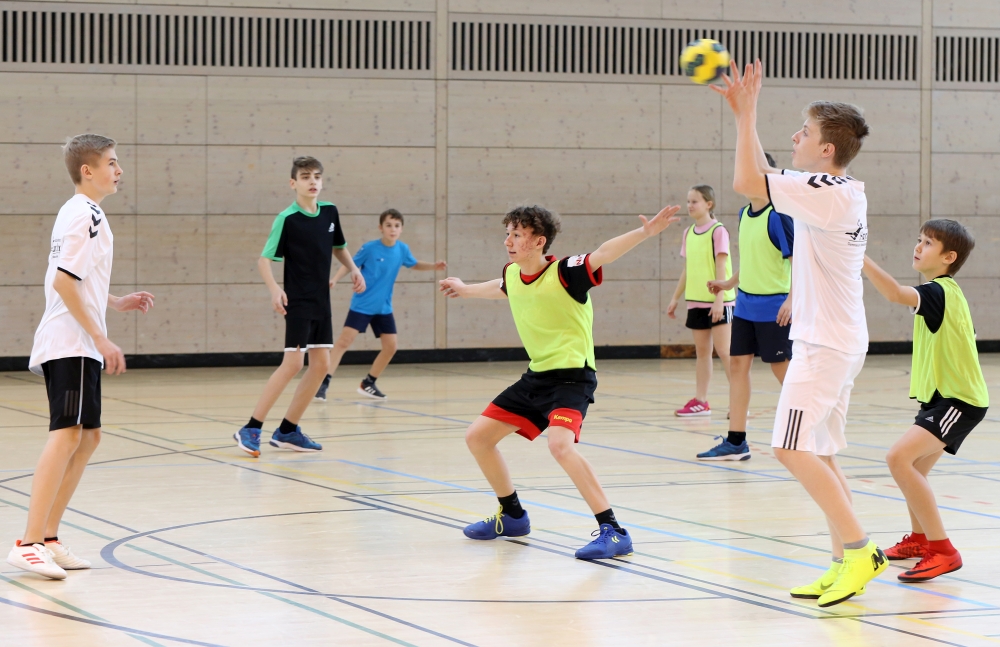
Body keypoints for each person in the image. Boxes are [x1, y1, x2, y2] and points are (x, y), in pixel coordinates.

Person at [712, 60, 886, 606]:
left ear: (827, 150)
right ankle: (844, 563)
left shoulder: (829, 189)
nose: (796, 138)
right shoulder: (835, 189)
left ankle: (861, 550)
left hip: (825, 345)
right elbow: (754, 186)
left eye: (805, 132)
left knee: (789, 448)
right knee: (822, 453)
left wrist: (746, 114)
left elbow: (746, 183)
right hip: (836, 339)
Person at [439, 203, 681, 559]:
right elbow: (501, 286)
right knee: (478, 437)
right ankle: (513, 515)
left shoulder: (565, 271)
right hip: (537, 376)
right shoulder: (512, 274)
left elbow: (603, 254)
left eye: (517, 235)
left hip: (572, 377)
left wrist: (644, 233)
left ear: (538, 242)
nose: (508, 240)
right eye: (507, 233)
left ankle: (613, 530)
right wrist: (465, 288)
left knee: (560, 446)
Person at [6, 134, 155, 580]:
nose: (119, 169)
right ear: (87, 171)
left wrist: (114, 301)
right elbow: (64, 284)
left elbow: (75, 277)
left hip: (81, 343)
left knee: (88, 438)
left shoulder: (85, 214)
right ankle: (29, 542)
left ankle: (49, 538)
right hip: (71, 341)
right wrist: (101, 338)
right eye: (111, 162)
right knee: (67, 433)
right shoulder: (83, 214)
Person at [863, 220, 988, 582]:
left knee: (898, 458)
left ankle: (942, 550)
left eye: (928, 243)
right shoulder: (945, 291)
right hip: (941, 398)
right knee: (913, 469)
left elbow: (893, 293)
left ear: (949, 257)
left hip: (959, 401)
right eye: (919, 240)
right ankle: (919, 540)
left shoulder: (937, 291)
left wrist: (861, 257)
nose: (918, 246)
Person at [233, 156, 365, 458]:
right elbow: (264, 259)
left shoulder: (330, 212)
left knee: (320, 365)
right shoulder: (287, 219)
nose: (313, 181)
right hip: (298, 301)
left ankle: (289, 430)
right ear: (294, 183)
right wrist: (274, 289)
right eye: (306, 177)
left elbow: (339, 247)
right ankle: (251, 427)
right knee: (293, 363)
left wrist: (354, 270)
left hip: (322, 301)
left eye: (317, 176)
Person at [699, 153, 794, 461]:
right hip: (744, 306)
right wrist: (729, 283)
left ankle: (811, 432)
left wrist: (793, 299)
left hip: (774, 307)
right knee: (738, 367)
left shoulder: (779, 216)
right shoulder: (743, 214)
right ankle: (736, 441)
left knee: (785, 373)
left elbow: (798, 262)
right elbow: (752, 260)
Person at [313, 209, 446, 401]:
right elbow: (350, 264)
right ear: (381, 228)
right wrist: (334, 279)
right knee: (343, 343)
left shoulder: (402, 249)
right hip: (362, 304)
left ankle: (368, 382)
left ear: (401, 229)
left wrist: (434, 266)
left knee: (391, 347)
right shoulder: (369, 248)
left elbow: (414, 264)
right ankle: (323, 382)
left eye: (397, 226)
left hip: (383, 308)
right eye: (389, 225)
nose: (393, 229)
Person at [666, 185, 735, 417]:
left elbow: (721, 266)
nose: (690, 205)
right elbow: (688, 269)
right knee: (703, 353)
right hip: (695, 301)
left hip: (720, 303)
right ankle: (701, 401)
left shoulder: (718, 231)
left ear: (709, 204)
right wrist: (675, 297)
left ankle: (737, 402)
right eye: (688, 201)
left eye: (695, 201)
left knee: (725, 352)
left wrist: (719, 299)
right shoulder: (688, 233)